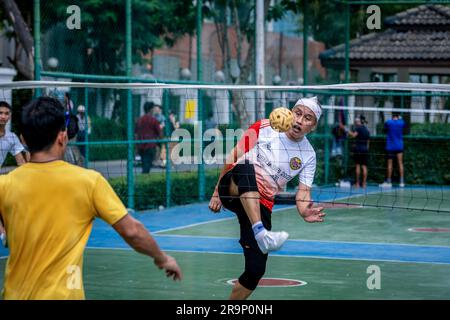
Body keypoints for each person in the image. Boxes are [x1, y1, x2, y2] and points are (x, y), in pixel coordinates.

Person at [0, 97, 182, 299]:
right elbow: (132, 231)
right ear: (63, 137)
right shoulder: (88, 181)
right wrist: (162, 258)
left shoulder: (5, 185)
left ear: (23, 139)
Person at [209, 96, 326, 300]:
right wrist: (217, 190)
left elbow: (303, 193)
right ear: (290, 112)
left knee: (255, 271)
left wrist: (304, 211)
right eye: (297, 113)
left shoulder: (308, 155)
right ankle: (261, 232)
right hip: (234, 186)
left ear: (313, 126)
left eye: (307, 118)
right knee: (246, 166)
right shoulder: (264, 126)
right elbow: (234, 155)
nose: (299, 120)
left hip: (261, 202)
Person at [380, 112, 406, 188]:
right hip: (399, 146)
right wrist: (400, 118)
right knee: (400, 163)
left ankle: (389, 182)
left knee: (389, 164)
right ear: (398, 116)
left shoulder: (389, 122)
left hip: (390, 147)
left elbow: (385, 126)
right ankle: (401, 182)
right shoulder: (401, 122)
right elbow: (403, 122)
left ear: (392, 116)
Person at [135, 102, 162, 173]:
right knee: (147, 167)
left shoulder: (139, 120)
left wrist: (136, 146)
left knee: (145, 164)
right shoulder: (154, 120)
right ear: (151, 109)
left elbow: (136, 134)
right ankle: (144, 181)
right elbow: (160, 134)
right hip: (150, 146)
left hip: (140, 146)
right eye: (153, 108)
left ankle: (144, 179)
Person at [0, 101, 26, 167]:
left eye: (6, 113)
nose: (3, 116)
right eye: (0, 113)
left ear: (9, 116)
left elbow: (21, 162)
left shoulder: (12, 137)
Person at [347, 115, 370, 189]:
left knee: (358, 165)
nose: (356, 121)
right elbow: (368, 142)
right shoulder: (367, 130)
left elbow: (354, 135)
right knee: (364, 166)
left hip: (358, 149)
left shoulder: (358, 128)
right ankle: (364, 184)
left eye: (357, 120)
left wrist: (347, 131)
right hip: (365, 150)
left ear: (360, 121)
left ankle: (357, 184)